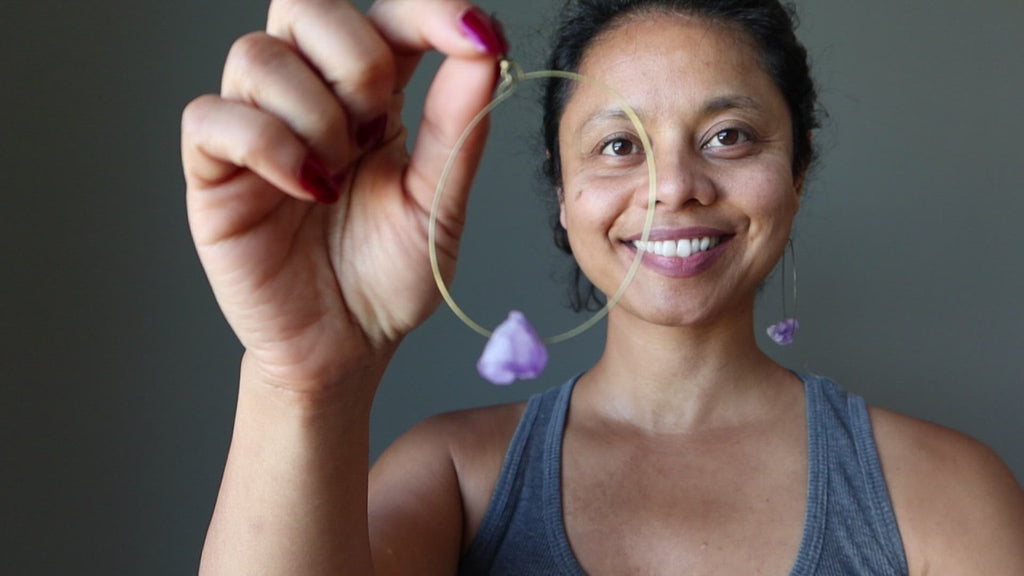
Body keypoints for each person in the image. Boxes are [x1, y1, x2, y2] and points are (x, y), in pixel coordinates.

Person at [181, 0, 1024, 573]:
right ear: (562, 191)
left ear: (796, 170)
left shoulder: (942, 488)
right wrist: (303, 380)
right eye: (619, 145)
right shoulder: (453, 479)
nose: (674, 186)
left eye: (728, 135)